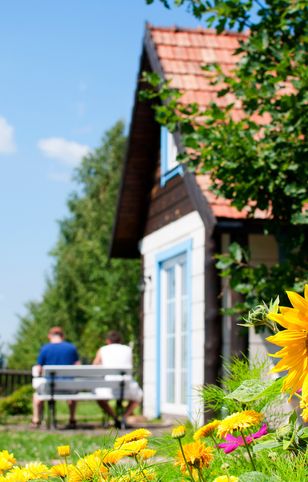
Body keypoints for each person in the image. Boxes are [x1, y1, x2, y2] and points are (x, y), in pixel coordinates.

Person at [32, 326, 80, 428]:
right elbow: (78, 367)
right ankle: (72, 418)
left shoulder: (45, 348)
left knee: (37, 396)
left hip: (50, 388)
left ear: (50, 336)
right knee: (72, 395)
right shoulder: (71, 348)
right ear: (62, 336)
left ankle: (36, 419)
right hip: (69, 388)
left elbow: (39, 368)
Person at [93, 330, 142, 429]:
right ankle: (124, 417)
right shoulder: (128, 349)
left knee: (98, 396)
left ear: (108, 341)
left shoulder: (103, 349)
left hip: (108, 388)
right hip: (126, 387)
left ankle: (114, 417)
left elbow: (95, 366)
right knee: (139, 395)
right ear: (120, 340)